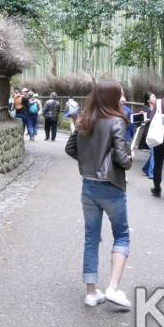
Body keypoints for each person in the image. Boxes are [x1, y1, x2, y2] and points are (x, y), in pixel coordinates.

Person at [64, 79, 133, 310]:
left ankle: (91, 293)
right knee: (121, 235)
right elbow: (123, 160)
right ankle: (113, 288)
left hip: (89, 186)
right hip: (111, 186)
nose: (123, 97)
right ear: (112, 97)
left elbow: (70, 148)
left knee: (91, 238)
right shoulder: (117, 121)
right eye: (120, 94)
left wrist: (88, 162)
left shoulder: (84, 119)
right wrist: (128, 157)